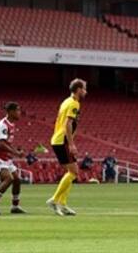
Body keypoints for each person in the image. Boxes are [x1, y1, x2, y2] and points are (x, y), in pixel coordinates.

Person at [46, 78, 87, 216]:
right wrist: (71, 143)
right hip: (62, 140)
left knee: (71, 172)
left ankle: (62, 204)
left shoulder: (66, 101)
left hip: (58, 139)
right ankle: (55, 199)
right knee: (74, 172)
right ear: (79, 90)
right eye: (84, 88)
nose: (86, 91)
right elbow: (68, 124)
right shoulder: (74, 103)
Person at [0, 102, 25, 215]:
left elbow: (6, 142)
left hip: (5, 158)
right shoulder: (3, 124)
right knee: (9, 179)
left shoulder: (11, 124)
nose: (19, 113)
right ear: (11, 112)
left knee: (17, 180)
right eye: (17, 110)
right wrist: (16, 153)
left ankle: (15, 206)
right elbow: (1, 143)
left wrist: (15, 152)